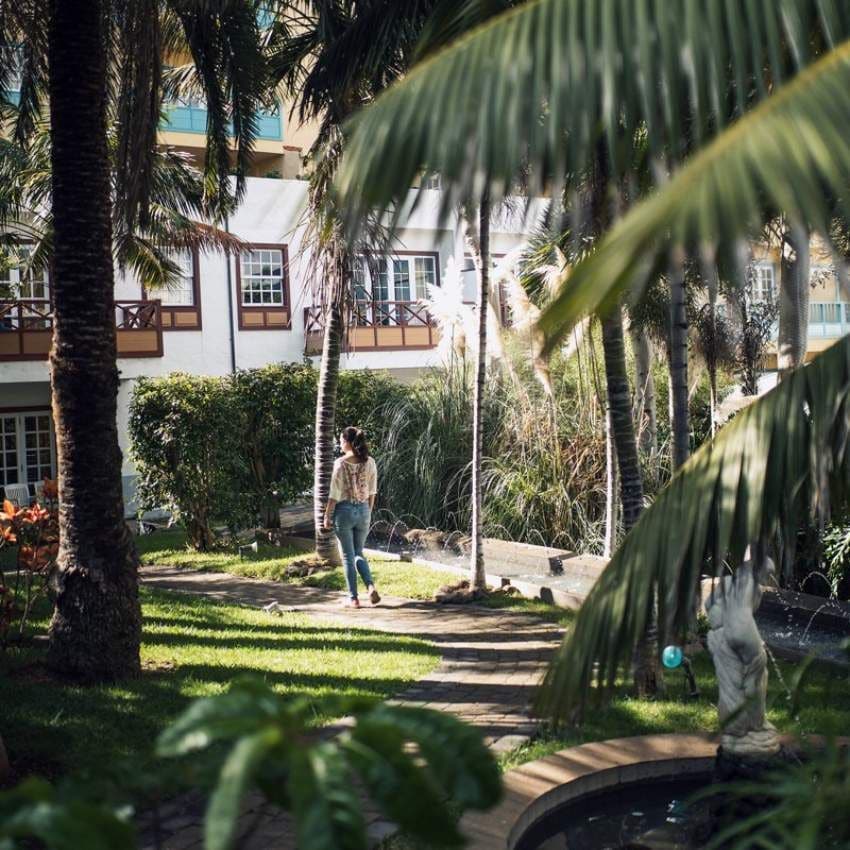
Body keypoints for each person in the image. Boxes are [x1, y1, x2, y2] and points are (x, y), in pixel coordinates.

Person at [323, 426, 381, 608]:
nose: (339, 443)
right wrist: (368, 512)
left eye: (341, 440)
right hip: (364, 510)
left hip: (344, 512)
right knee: (358, 552)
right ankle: (370, 586)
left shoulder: (340, 463)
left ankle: (353, 598)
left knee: (348, 556)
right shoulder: (370, 462)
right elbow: (372, 491)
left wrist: (327, 516)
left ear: (347, 442)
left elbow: (334, 494)